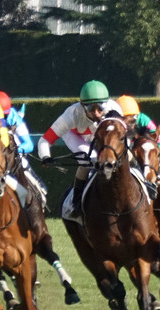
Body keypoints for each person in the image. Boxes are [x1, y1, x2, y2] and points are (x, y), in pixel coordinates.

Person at [35, 80, 122, 223]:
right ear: (82, 106)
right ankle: (76, 202)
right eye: (91, 108)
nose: (96, 113)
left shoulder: (114, 109)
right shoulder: (71, 115)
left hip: (99, 135)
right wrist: (45, 156)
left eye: (100, 108)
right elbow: (44, 140)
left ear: (106, 104)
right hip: (75, 136)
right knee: (90, 159)